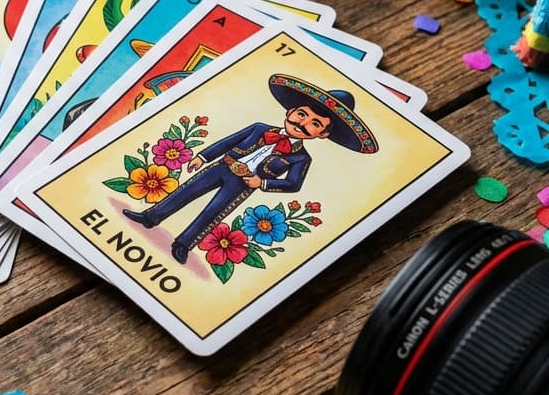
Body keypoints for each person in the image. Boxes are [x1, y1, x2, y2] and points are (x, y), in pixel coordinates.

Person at [123, 73, 377, 265]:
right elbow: (228, 142)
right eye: (301, 115)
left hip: (245, 183)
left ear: (323, 134)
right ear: (290, 111)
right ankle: (151, 217)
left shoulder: (301, 158)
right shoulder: (258, 128)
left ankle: (184, 243)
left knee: (213, 212)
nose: (302, 124)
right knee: (187, 191)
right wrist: (203, 155)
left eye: (314, 123)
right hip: (223, 166)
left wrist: (263, 183)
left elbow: (293, 184)